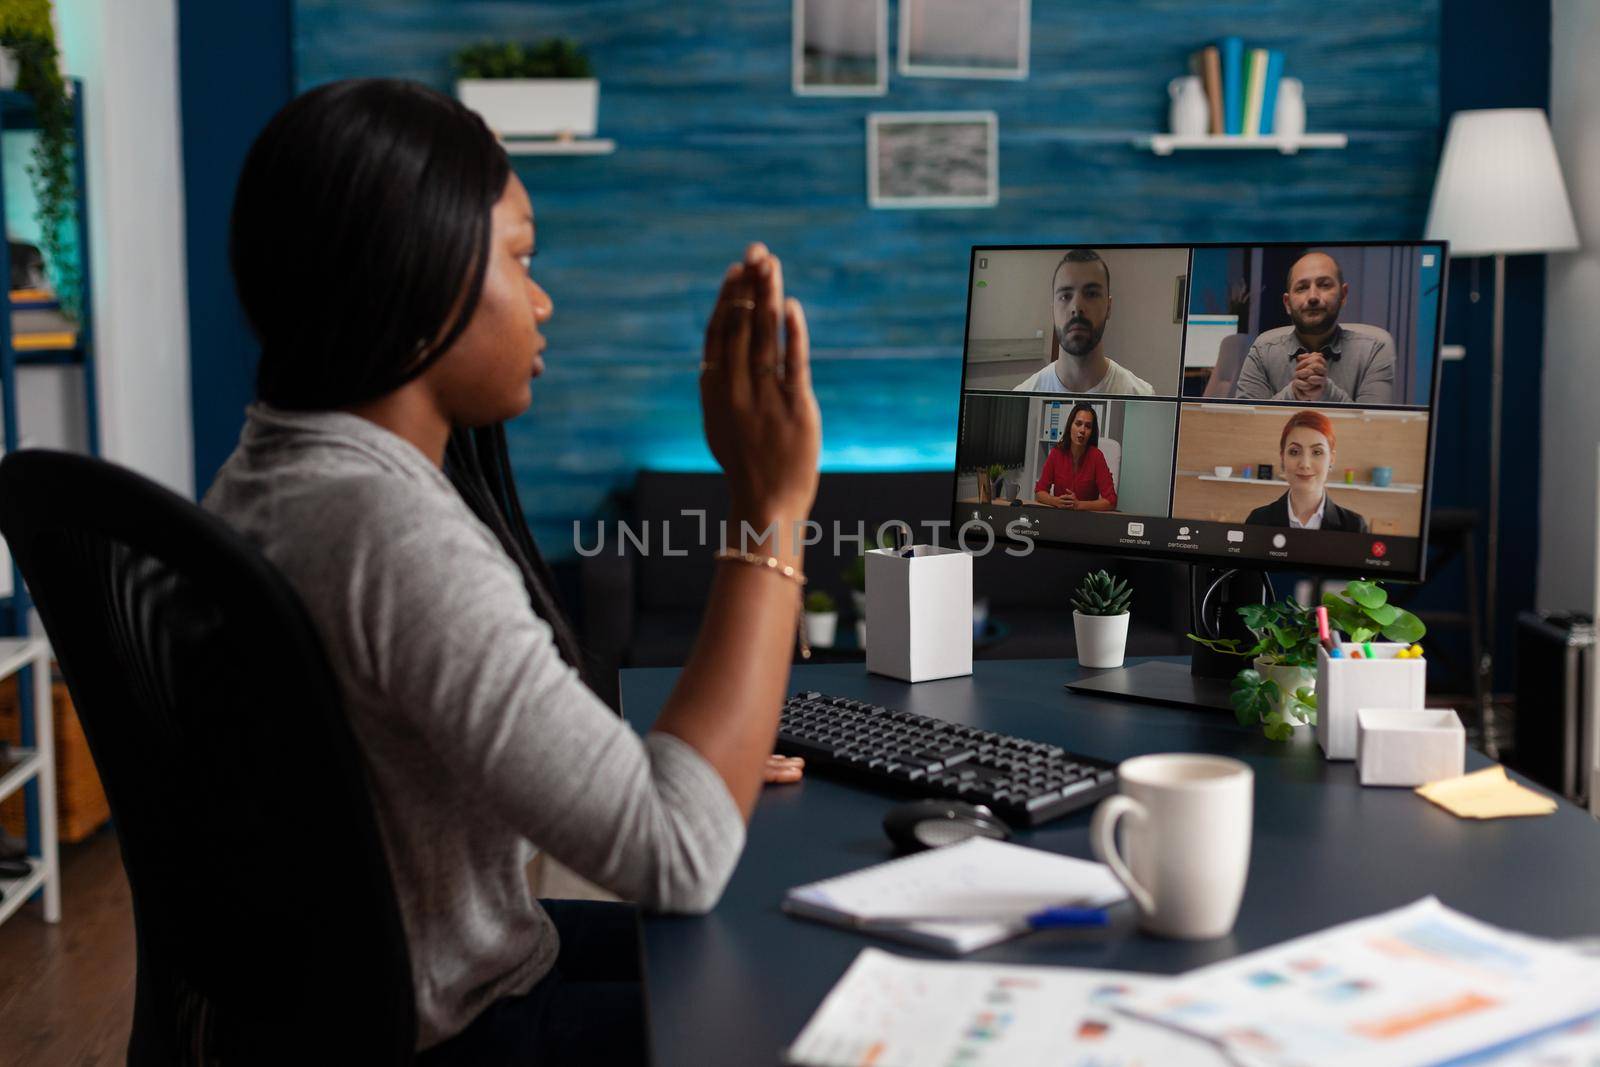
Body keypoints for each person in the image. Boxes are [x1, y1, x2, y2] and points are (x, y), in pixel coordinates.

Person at [205, 79, 820, 1064]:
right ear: (420, 273)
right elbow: (677, 856)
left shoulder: (271, 471)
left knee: (775, 937)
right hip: (453, 1027)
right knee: (804, 996)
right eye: (521, 257)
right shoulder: (388, 530)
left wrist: (676, 762)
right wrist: (770, 503)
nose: (542, 300)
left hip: (398, 985)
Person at [1233, 251, 1397, 405]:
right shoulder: (1262, 351)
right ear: (1287, 303)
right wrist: (1294, 393)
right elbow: (1245, 424)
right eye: (1302, 287)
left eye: (1324, 285)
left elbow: (1374, 429)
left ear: (1343, 295)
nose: (1312, 297)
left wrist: (1326, 390)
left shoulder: (1374, 350)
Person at [1012, 249, 1154, 396]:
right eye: (1066, 296)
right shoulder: (1024, 393)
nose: (1077, 307)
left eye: (1091, 294)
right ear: (1053, 310)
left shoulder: (1141, 394)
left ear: (1109, 307)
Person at [1245, 410, 1368, 532]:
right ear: (1283, 458)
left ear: (1331, 459)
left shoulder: (1354, 527)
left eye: (1317, 452)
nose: (1305, 464)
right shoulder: (1257, 521)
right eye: (1294, 452)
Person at [1033, 402, 1117, 510]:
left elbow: (1111, 501)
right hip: (1060, 516)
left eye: (1088, 426)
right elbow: (1039, 492)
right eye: (1078, 424)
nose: (1082, 430)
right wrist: (1056, 501)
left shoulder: (1097, 457)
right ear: (1070, 426)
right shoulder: (1056, 453)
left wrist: (1079, 505)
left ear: (1092, 432)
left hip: (1086, 519)